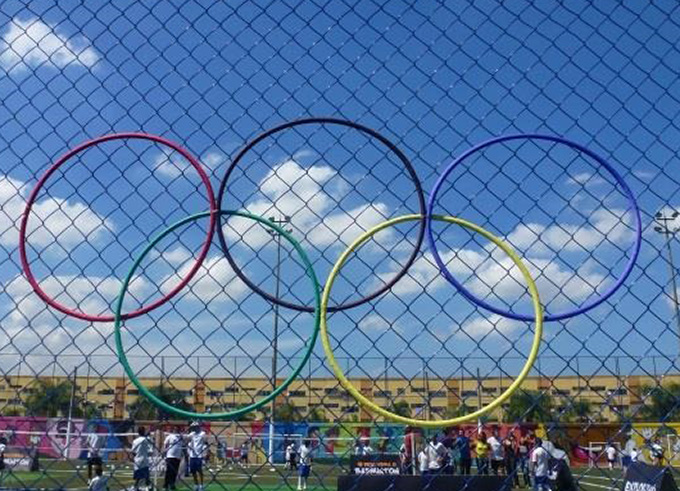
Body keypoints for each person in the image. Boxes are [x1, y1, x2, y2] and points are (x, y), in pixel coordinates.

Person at [188, 422, 208, 491]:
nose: (193, 428)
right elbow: (187, 439)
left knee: (199, 470)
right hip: (192, 455)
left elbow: (205, 442)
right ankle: (196, 484)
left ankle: (201, 485)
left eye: (195, 427)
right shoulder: (192, 434)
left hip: (199, 455)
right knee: (193, 471)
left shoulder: (202, 433)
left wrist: (204, 453)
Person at [130, 427, 152, 491]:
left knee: (138, 474)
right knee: (146, 474)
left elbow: (133, 451)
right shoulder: (146, 439)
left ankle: (136, 486)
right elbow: (150, 448)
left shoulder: (135, 441)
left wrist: (133, 457)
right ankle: (148, 486)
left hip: (138, 459)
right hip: (144, 458)